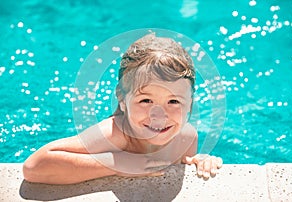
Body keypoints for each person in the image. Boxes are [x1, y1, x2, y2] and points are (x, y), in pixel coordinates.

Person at [23, 33, 223, 184]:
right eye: (145, 101)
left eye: (174, 102)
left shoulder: (186, 136)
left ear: (191, 104)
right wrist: (117, 163)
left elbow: (173, 169)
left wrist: (198, 161)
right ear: (122, 99)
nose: (159, 115)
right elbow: (34, 167)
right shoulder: (115, 134)